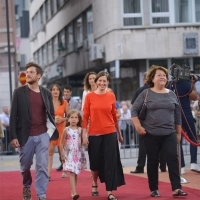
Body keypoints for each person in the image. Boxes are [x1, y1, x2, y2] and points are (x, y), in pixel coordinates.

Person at [131, 65, 187, 197]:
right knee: (152, 161)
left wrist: (178, 133)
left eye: (164, 75)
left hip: (169, 133)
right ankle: (154, 189)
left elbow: (177, 114)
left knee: (173, 159)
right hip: (150, 134)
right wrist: (138, 127)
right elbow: (134, 110)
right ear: (152, 78)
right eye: (159, 75)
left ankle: (176, 188)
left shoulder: (172, 94)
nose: (162, 77)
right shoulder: (146, 93)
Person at [9, 62, 58, 200]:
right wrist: (13, 136)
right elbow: (13, 116)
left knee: (42, 165)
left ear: (38, 75)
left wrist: (48, 134)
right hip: (25, 136)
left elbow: (51, 114)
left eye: (31, 72)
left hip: (42, 135)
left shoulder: (46, 93)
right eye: (27, 72)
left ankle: (41, 195)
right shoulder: (19, 92)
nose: (27, 74)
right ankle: (26, 185)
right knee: (25, 166)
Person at [82, 71, 125, 200]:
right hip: (94, 133)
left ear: (108, 82)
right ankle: (94, 183)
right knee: (95, 162)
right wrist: (84, 135)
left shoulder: (111, 96)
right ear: (96, 82)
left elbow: (114, 115)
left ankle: (110, 191)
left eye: (104, 81)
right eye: (99, 81)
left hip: (110, 132)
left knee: (110, 162)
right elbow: (85, 117)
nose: (102, 83)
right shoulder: (89, 96)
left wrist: (119, 133)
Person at [130, 72, 166, 173]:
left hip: (143, 120)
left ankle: (140, 167)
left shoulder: (140, 90)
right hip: (158, 120)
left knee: (143, 144)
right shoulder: (159, 90)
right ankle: (163, 166)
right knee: (161, 142)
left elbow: (134, 106)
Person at [168, 73, 200, 173]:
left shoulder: (169, 84)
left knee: (178, 140)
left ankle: (181, 166)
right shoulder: (186, 84)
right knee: (192, 138)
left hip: (173, 115)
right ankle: (194, 163)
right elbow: (194, 97)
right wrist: (193, 84)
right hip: (185, 114)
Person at [60, 109, 86, 200]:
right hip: (69, 154)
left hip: (78, 154)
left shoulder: (80, 130)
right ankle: (74, 192)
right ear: (68, 119)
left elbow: (83, 141)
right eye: (72, 117)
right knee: (71, 172)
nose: (74, 119)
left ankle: (73, 190)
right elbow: (61, 143)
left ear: (78, 120)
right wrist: (62, 154)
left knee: (75, 173)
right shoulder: (66, 130)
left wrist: (86, 140)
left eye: (76, 117)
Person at [56, 85, 79, 172]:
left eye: (68, 92)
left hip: (71, 126)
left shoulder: (75, 102)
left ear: (70, 92)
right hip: (61, 126)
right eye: (65, 91)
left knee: (70, 145)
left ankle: (71, 162)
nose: (66, 93)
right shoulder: (59, 101)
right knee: (60, 145)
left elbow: (76, 114)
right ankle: (62, 162)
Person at [48, 84, 68, 179]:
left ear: (60, 92)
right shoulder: (47, 102)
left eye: (57, 89)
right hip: (51, 129)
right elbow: (44, 116)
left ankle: (65, 169)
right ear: (50, 91)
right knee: (50, 151)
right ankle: (48, 174)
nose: (55, 91)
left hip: (61, 129)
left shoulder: (64, 102)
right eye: (53, 89)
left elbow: (69, 116)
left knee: (62, 150)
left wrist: (62, 119)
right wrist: (53, 119)